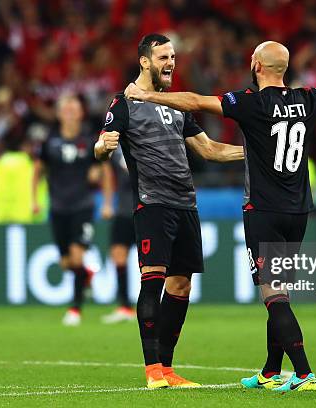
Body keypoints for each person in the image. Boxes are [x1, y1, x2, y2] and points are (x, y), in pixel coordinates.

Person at [124, 41, 316, 392]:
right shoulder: (307, 98)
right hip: (299, 211)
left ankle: (303, 373)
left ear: (255, 64)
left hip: (264, 212)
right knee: (281, 291)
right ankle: (270, 371)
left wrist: (148, 97)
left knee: (273, 295)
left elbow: (196, 102)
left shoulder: (249, 103)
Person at [95, 33, 244, 389]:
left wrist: (255, 153)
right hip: (153, 204)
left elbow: (209, 150)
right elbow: (102, 146)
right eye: (163, 57)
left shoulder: (177, 105)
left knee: (181, 284)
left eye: (173, 57)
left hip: (186, 204)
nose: (170, 63)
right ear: (145, 61)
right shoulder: (124, 102)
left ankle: (168, 368)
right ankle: (152, 371)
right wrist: (103, 145)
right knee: (153, 280)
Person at [33, 93, 98, 326]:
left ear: (81, 113)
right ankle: (87, 274)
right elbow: (38, 170)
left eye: (74, 108)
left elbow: (104, 171)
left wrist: (100, 181)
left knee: (77, 255)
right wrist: (35, 199)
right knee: (66, 263)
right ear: (59, 114)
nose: (70, 112)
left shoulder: (90, 141)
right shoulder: (49, 142)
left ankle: (75, 309)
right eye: (65, 108)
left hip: (83, 205)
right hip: (58, 207)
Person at [100, 146, 137, 323]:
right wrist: (107, 203)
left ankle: (158, 305)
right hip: (123, 209)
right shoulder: (114, 145)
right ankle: (125, 306)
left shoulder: (148, 138)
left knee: (156, 261)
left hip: (148, 207)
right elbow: (106, 172)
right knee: (118, 254)